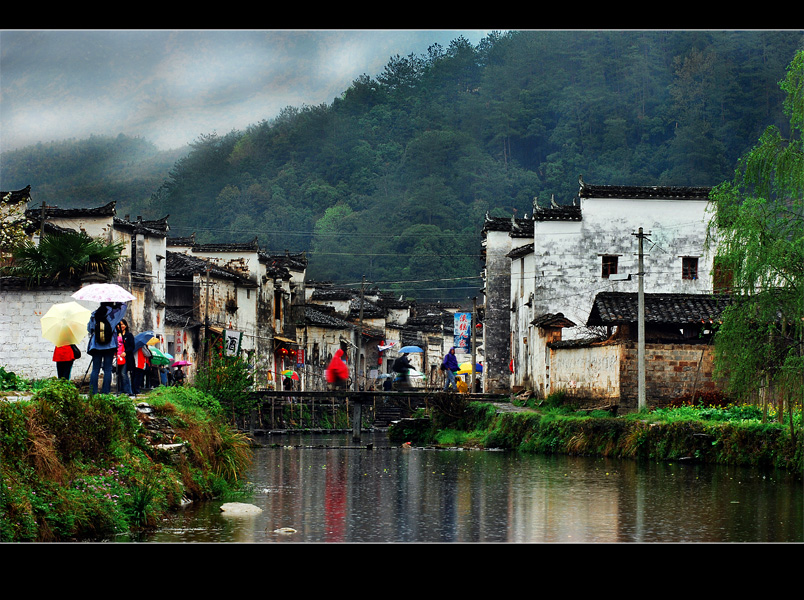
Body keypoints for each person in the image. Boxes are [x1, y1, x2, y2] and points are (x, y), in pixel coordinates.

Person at [87, 302, 127, 395]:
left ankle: (93, 392)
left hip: (96, 345)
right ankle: (106, 391)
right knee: (107, 369)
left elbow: (89, 328)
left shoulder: (94, 314)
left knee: (95, 369)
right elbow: (124, 306)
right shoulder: (114, 313)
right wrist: (118, 302)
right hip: (110, 345)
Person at [115, 319, 135, 395]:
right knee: (118, 373)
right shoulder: (115, 335)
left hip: (125, 357)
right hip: (117, 356)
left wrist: (126, 352)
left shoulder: (129, 335)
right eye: (119, 324)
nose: (121, 326)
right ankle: (120, 390)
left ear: (126, 325)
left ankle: (127, 390)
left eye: (123, 324)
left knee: (123, 373)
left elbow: (132, 346)